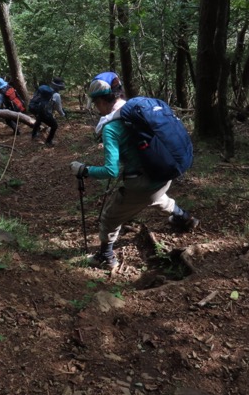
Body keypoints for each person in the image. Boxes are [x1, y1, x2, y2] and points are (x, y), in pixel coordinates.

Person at [70, 76, 199, 269]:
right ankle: (184, 218)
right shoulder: (138, 109)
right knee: (155, 196)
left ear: (102, 100)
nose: (96, 108)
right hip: (166, 174)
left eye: (96, 103)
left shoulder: (111, 127)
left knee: (109, 218)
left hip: (143, 183)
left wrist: (84, 170)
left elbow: (110, 170)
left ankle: (106, 256)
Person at [30, 77, 66, 147]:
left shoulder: (44, 90)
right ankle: (49, 142)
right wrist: (63, 114)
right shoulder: (57, 95)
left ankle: (34, 135)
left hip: (37, 109)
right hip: (45, 112)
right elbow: (58, 109)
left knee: (38, 120)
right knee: (54, 126)